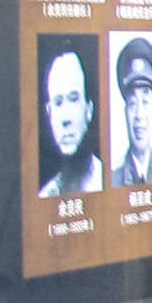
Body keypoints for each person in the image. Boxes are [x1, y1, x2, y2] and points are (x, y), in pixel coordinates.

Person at [37, 41, 104, 197]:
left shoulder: (112, 180)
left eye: (73, 99)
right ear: (49, 113)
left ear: (89, 110)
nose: (65, 119)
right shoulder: (46, 196)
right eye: (58, 102)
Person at [112, 37, 152, 186]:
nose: (139, 115)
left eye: (145, 102)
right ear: (125, 112)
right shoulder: (113, 179)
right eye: (132, 104)